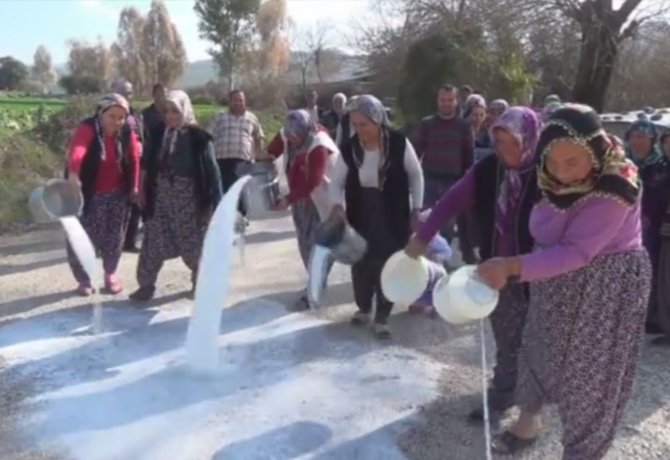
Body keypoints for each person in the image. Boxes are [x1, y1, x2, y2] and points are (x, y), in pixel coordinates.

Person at [474, 104, 650, 459]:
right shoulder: (550, 173)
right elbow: (543, 227)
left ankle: (582, 451)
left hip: (605, 284)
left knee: (590, 374)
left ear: (595, 149)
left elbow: (577, 251)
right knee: (538, 347)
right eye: (552, 163)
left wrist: (511, 265)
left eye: (572, 163)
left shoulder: (616, 184)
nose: (562, 173)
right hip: (554, 277)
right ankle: (529, 421)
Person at [406, 106, 540, 421]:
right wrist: (423, 237)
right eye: (499, 142)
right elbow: (451, 201)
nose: (506, 151)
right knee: (507, 338)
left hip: (541, 272)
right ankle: (502, 396)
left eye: (514, 143)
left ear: (531, 139)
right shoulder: (487, 170)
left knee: (537, 344)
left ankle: (531, 412)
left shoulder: (549, 173)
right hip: (498, 272)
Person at [329, 95, 424, 339]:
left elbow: (416, 175)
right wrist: (337, 207)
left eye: (365, 125)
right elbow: (336, 182)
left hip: (392, 211)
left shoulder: (398, 144)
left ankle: (383, 315)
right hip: (361, 210)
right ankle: (363, 307)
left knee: (387, 262)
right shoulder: (350, 149)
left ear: (378, 121)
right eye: (355, 125)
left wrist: (417, 209)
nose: (359, 130)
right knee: (361, 261)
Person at [130, 90, 222, 301]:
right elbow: (147, 163)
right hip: (161, 196)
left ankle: (201, 283)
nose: (170, 116)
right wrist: (142, 188)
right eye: (167, 111)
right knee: (153, 240)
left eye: (175, 111)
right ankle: (146, 285)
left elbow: (213, 174)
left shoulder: (200, 139)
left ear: (185, 110)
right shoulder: (159, 133)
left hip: (188, 198)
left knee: (193, 243)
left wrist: (215, 208)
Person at [66, 93, 141, 296]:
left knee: (115, 236)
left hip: (118, 192)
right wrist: (73, 174)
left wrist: (134, 186)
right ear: (101, 113)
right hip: (88, 193)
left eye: (121, 117)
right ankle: (84, 278)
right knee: (82, 237)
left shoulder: (126, 131)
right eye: (112, 116)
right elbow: (77, 150)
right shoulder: (88, 128)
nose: (117, 121)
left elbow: (134, 158)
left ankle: (110, 274)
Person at [266, 109, 339, 310]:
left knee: (320, 245)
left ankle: (314, 289)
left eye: (295, 136)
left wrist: (287, 199)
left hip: (323, 200)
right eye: (289, 136)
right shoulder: (288, 134)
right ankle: (315, 282)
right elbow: (271, 150)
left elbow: (314, 181)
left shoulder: (319, 143)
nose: (292, 140)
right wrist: (265, 162)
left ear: (305, 130)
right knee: (305, 243)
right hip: (301, 201)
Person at [413, 84, 476, 263]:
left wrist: (468, 185)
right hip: (430, 181)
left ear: (456, 102)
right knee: (427, 224)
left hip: (453, 183)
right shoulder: (427, 124)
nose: (446, 104)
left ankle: (441, 263)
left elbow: (469, 158)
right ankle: (426, 264)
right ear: (437, 101)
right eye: (443, 100)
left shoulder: (463, 126)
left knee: (447, 227)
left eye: (450, 100)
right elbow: (416, 152)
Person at [624, 120, 670, 336]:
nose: (637, 141)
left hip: (653, 226)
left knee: (652, 268)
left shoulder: (661, 165)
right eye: (633, 136)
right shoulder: (623, 162)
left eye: (642, 137)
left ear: (652, 140)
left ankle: (651, 314)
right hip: (624, 225)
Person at [209, 89, 264, 219]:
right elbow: (209, 136)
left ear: (245, 102)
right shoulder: (220, 116)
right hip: (222, 160)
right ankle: (226, 217)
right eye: (235, 100)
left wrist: (258, 154)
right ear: (230, 102)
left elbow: (258, 136)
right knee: (225, 188)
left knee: (240, 188)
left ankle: (241, 215)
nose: (238, 103)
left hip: (243, 160)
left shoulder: (251, 118)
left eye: (241, 100)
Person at [112, 80, 145, 253]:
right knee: (116, 204)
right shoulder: (107, 113)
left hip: (137, 163)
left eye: (129, 92)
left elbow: (142, 136)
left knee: (136, 203)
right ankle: (111, 242)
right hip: (118, 164)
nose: (127, 96)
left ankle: (129, 242)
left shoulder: (136, 114)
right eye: (123, 92)